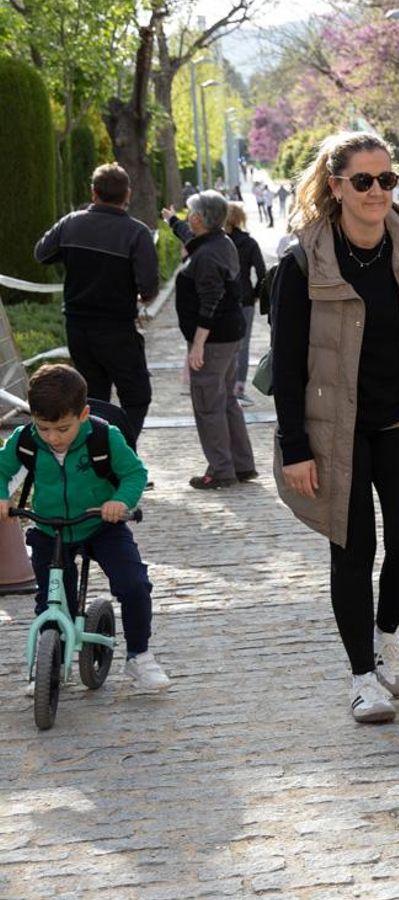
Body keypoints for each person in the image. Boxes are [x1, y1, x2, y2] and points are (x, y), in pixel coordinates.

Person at [271, 131, 399, 724]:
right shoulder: (301, 261)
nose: (377, 191)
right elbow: (286, 363)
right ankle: (363, 677)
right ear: (335, 187)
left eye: (386, 179)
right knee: (353, 548)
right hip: (333, 430)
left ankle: (387, 631)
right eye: (363, 181)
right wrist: (294, 446)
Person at [1, 365, 168, 694]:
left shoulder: (105, 436)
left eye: (63, 428)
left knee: (134, 585)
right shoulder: (26, 440)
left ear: (84, 414)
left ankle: (139, 656)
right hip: (50, 529)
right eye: (44, 427)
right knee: (52, 598)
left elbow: (134, 473)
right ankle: (49, 662)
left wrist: (119, 502)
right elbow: (1, 468)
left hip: (101, 525)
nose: (53, 437)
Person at [33, 164, 157, 449]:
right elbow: (149, 287)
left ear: (93, 192)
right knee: (137, 395)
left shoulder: (71, 223)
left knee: (93, 397)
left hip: (77, 326)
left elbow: (42, 253)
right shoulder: (136, 233)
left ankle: (95, 459)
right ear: (127, 193)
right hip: (117, 327)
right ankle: (120, 457)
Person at [175, 191, 255, 489]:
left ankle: (221, 470)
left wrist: (197, 345)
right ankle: (242, 464)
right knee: (226, 400)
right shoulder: (220, 242)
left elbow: (210, 300)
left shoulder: (207, 254)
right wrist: (171, 220)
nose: (187, 219)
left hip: (214, 339)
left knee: (209, 405)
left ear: (198, 218)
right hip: (229, 334)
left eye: (188, 214)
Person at [224, 203, 267, 405]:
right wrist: (256, 293)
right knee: (243, 345)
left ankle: (224, 386)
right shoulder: (249, 243)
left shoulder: (219, 242)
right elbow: (262, 273)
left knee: (223, 344)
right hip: (245, 298)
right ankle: (239, 387)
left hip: (222, 300)